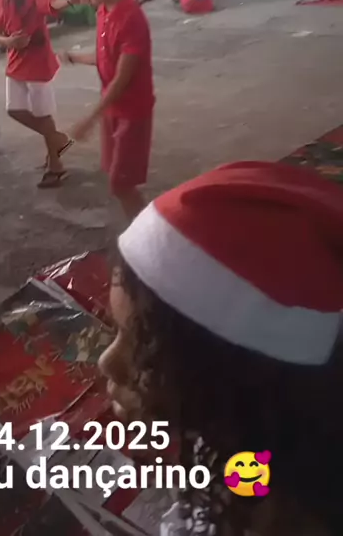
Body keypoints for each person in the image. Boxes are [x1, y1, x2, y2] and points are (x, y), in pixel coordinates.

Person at [99, 160, 343, 536]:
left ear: (236, 381)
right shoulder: (250, 439)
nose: (106, 362)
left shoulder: (291, 516)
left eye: (146, 350)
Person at [63, 0, 154, 222]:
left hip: (131, 112)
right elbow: (106, 58)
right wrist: (75, 57)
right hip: (112, 109)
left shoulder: (132, 19)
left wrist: (89, 119)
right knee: (117, 178)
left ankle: (148, 236)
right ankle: (143, 232)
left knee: (121, 184)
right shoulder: (104, 10)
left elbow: (121, 80)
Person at [0, 0, 77, 188]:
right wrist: (8, 41)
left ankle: (56, 166)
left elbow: (53, 3)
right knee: (14, 110)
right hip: (15, 60)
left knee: (42, 115)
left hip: (38, 60)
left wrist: (69, 0)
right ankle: (58, 140)